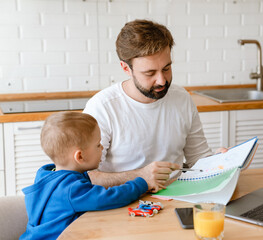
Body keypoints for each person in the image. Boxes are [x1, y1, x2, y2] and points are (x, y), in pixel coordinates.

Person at [83, 19, 225, 192]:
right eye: (150, 73)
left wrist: (222, 162)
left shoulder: (182, 99)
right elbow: (85, 177)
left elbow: (198, 160)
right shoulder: (102, 107)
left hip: (177, 196)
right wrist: (141, 176)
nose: (162, 80)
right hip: (123, 202)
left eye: (166, 68)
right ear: (126, 68)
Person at [20, 112, 155, 240]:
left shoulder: (47, 175)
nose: (102, 148)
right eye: (98, 145)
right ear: (80, 156)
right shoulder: (71, 189)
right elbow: (109, 198)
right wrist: (142, 184)